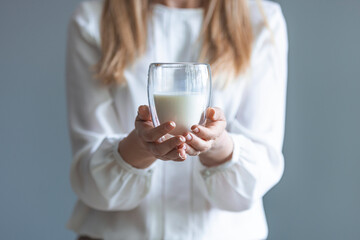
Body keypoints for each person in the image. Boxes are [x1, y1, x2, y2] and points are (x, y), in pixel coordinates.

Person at [66, 0, 288, 239]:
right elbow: (90, 179)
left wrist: (219, 146)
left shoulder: (260, 19)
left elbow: (261, 170)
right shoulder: (94, 18)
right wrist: (140, 148)